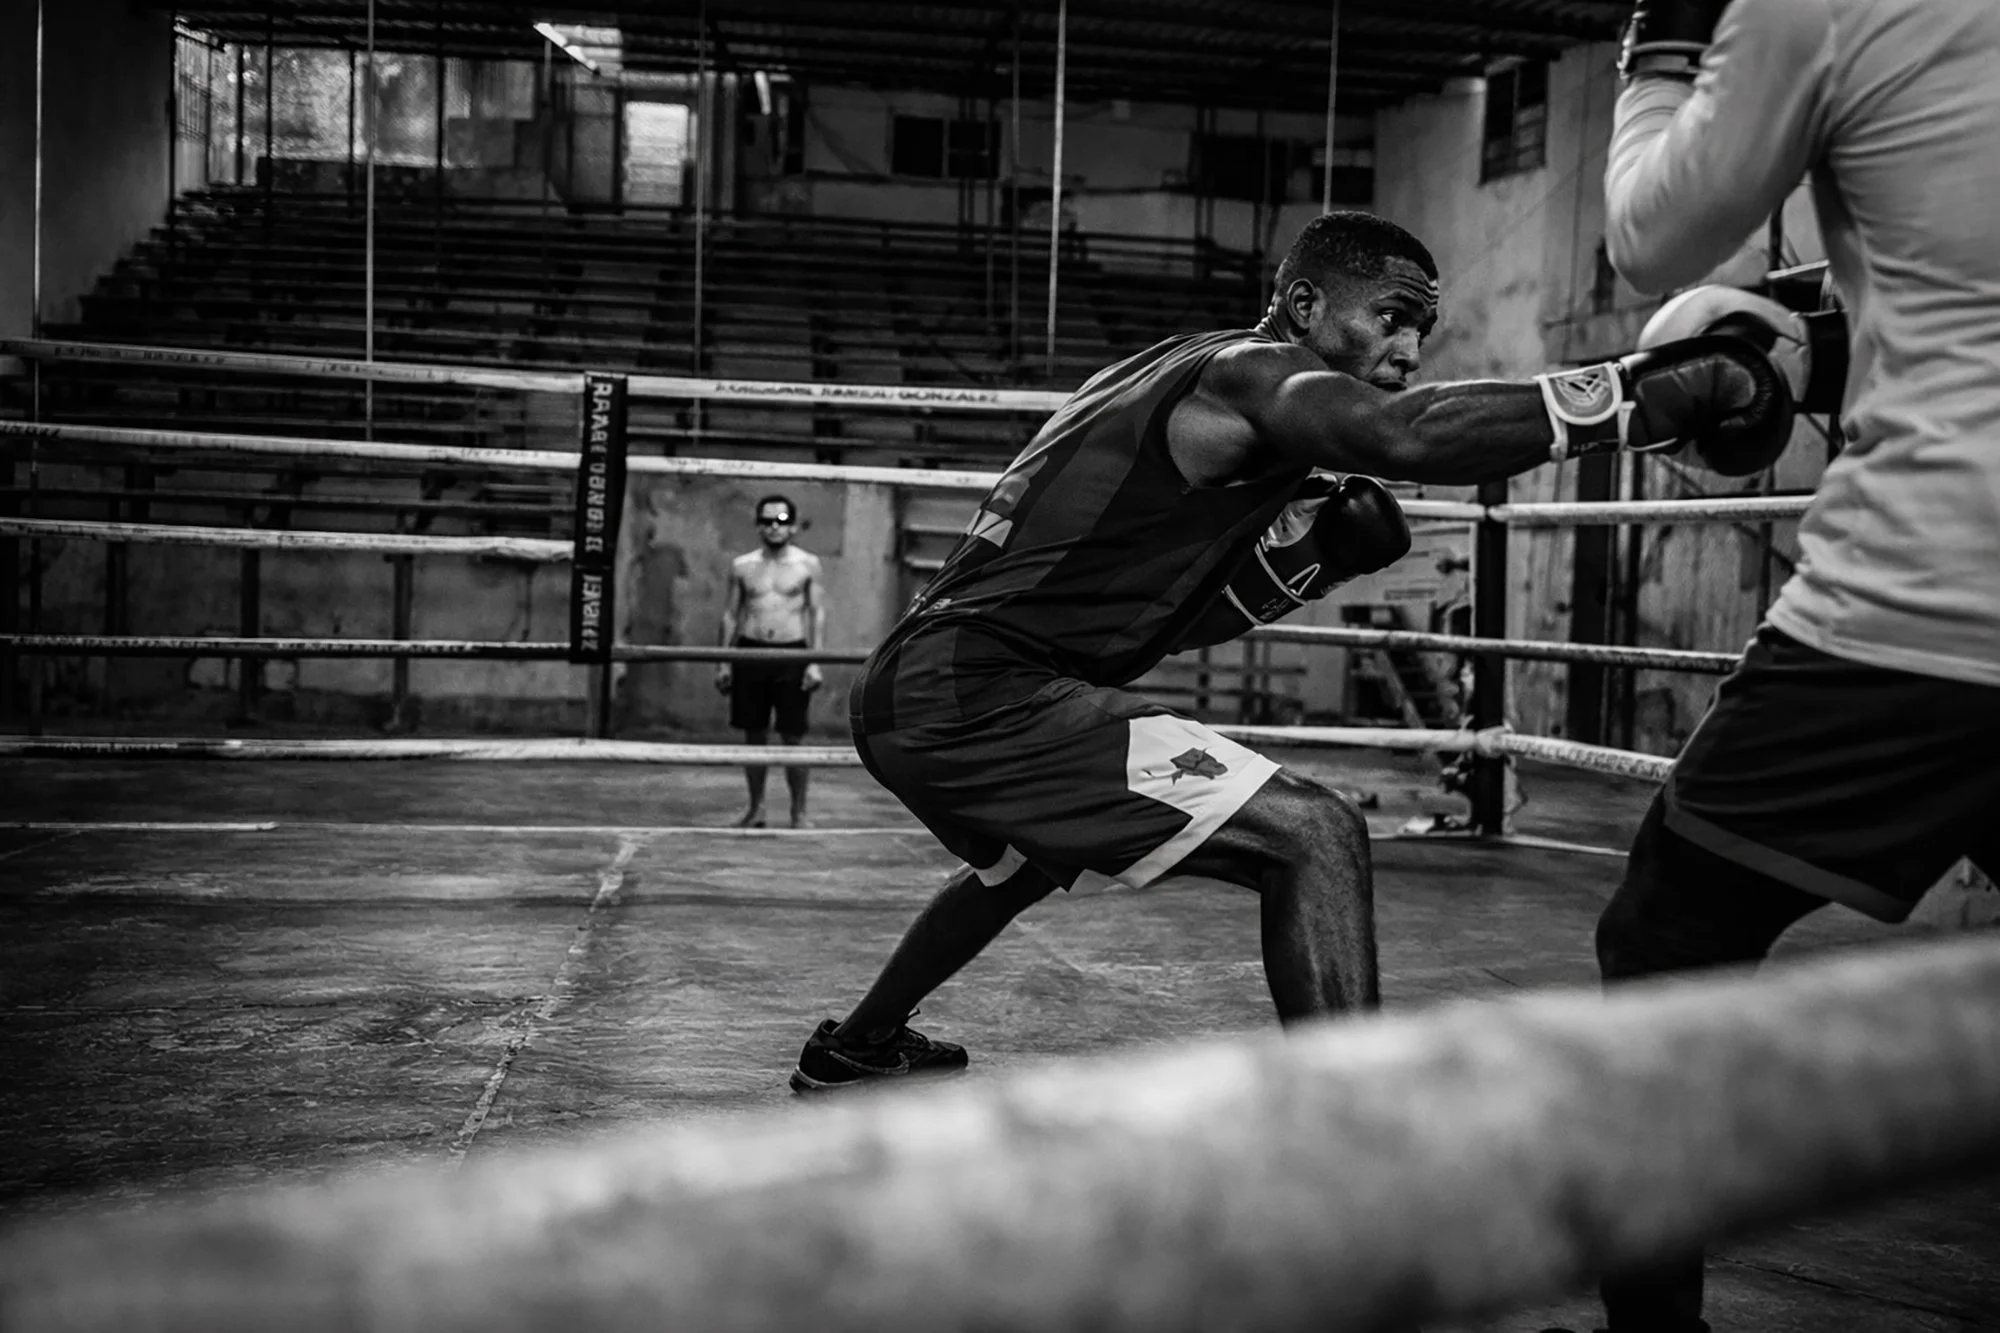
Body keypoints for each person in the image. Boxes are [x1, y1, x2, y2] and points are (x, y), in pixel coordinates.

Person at [791, 209, 1797, 1093]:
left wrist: (1310, 560)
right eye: (1390, 317)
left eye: (1421, 329)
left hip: (929, 685)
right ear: (1306, 305)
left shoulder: (1179, 382)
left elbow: (1170, 617)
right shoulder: (1250, 373)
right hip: (980, 688)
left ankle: (858, 1042)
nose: (1408, 347)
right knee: (1313, 832)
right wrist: (1635, 395)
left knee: (1020, 864)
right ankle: (1353, 1134)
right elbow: (1404, 436)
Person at [1577, 2, 2000, 1330]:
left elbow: (1650, 236)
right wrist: (1813, 343)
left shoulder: (1828, 7)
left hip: (1931, 599)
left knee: (1665, 939)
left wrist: (1659, 47)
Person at [715, 495, 826, 829]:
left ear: (793, 526)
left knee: (793, 736)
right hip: (750, 652)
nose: (774, 527)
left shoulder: (808, 564)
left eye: (781, 521)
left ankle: (799, 813)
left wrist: (814, 661)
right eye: (767, 521)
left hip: (793, 653)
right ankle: (756, 809)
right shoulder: (742, 565)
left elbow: (816, 614)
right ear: (758, 526)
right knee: (754, 735)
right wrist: (723, 661)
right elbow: (730, 614)